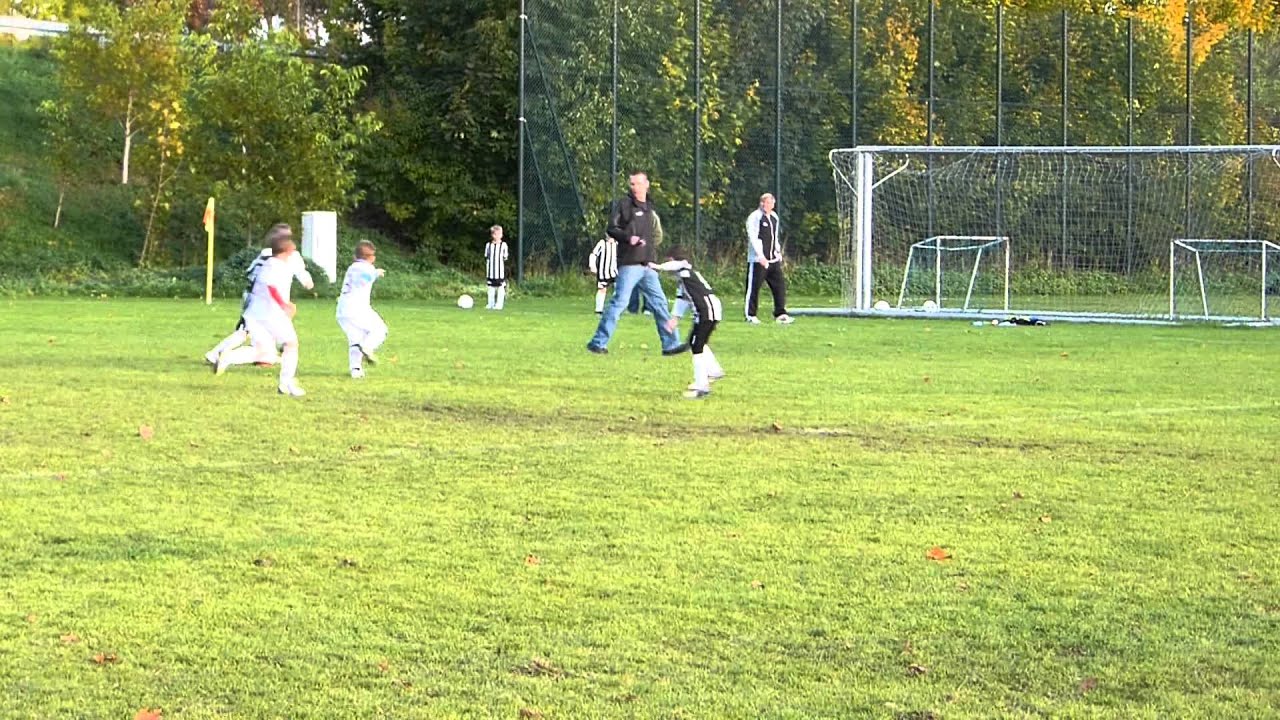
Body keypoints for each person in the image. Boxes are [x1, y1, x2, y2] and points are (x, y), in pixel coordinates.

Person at [585, 171, 686, 355]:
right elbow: (612, 228)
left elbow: (655, 235)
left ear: (647, 184)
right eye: (632, 184)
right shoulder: (624, 205)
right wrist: (627, 237)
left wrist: (651, 255)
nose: (635, 187)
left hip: (648, 265)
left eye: (638, 183)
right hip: (629, 263)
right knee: (620, 303)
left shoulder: (649, 207)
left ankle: (671, 345)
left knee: (660, 304)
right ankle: (598, 342)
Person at [215, 227, 306, 396]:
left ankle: (228, 357)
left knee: (262, 352)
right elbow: (272, 287)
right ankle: (286, 383)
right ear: (285, 251)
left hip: (255, 314)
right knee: (290, 344)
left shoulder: (270, 263)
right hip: (270, 313)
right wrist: (284, 305)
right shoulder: (275, 266)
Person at [652, 247, 724, 399]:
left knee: (697, 346)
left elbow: (678, 264)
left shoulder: (685, 270)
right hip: (706, 311)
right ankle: (714, 371)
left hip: (707, 311)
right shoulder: (683, 279)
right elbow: (682, 300)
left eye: (669, 260)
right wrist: (674, 319)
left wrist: (657, 266)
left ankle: (702, 386)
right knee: (695, 342)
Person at [336, 240, 388, 379]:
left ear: (355, 256)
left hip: (342, 310)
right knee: (380, 330)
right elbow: (365, 278)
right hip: (357, 308)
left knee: (355, 339)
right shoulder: (367, 268)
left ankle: (356, 369)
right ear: (372, 257)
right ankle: (368, 347)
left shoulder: (352, 267)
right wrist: (376, 273)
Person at [744, 192, 793, 324]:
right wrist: (760, 256)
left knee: (779, 286)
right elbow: (753, 237)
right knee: (754, 288)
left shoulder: (774, 217)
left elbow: (774, 237)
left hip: (773, 260)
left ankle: (780, 314)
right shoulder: (755, 217)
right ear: (762, 203)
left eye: (771, 203)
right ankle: (750, 315)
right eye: (767, 203)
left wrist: (777, 251)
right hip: (759, 261)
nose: (769, 205)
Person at [587, 235, 619, 314]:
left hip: (615, 271)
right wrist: (592, 266)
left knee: (619, 289)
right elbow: (593, 254)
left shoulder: (617, 244)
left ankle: (614, 306)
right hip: (603, 272)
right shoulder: (602, 243)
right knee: (602, 289)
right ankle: (599, 310)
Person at [485, 225, 509, 310]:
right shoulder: (488, 245)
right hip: (491, 271)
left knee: (500, 288)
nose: (498, 235)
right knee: (491, 288)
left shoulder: (503, 245)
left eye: (500, 234)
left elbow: (505, 257)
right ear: (493, 235)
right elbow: (487, 257)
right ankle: (490, 304)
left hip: (500, 272)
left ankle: (499, 304)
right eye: (496, 234)